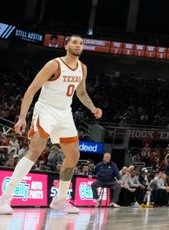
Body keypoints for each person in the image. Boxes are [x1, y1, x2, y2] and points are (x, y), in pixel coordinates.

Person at [0, 35, 102, 214]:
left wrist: (93, 108)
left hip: (65, 113)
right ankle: (5, 198)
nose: (78, 45)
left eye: (81, 43)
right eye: (75, 42)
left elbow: (81, 92)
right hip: (46, 110)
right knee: (36, 150)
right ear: (66, 45)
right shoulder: (54, 64)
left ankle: (60, 200)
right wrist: (23, 117)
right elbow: (32, 89)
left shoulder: (82, 68)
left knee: (74, 155)